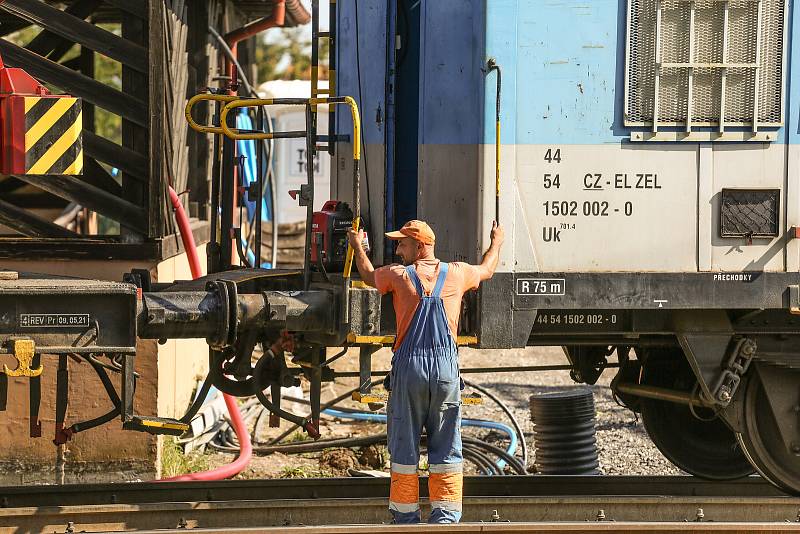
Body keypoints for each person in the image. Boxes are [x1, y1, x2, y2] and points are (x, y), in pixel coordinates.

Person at [347, 219, 504, 524]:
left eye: (401, 243)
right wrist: (496, 241)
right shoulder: (457, 273)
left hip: (410, 369)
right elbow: (487, 270)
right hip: (446, 370)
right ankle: (445, 520)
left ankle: (406, 521)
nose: (397, 248)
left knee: (405, 446)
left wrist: (356, 247)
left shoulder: (397, 275)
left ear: (419, 247)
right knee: (446, 445)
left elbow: (367, 276)